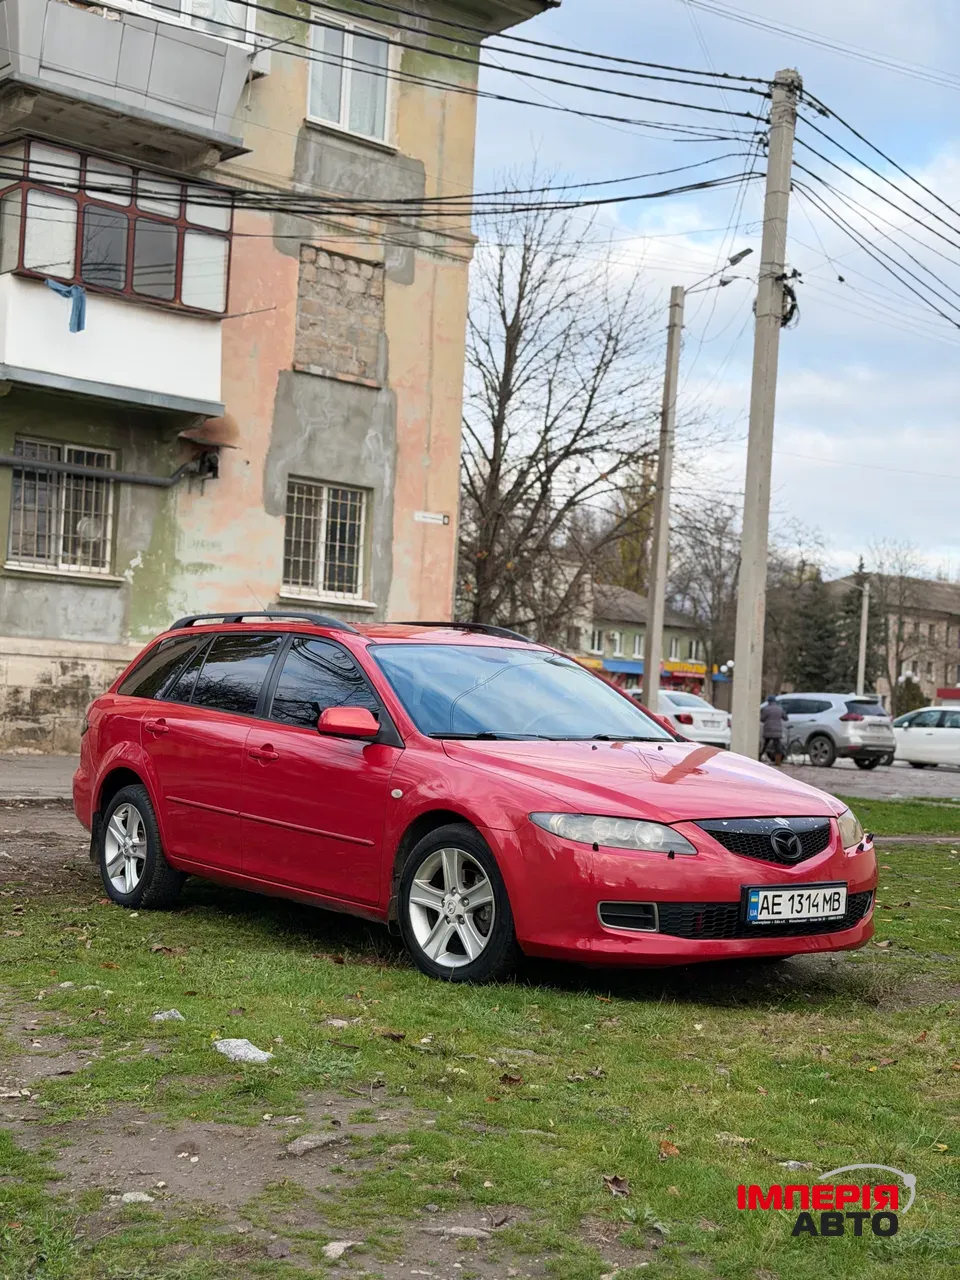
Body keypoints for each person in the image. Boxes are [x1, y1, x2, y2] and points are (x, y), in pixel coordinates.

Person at [759, 694, 787, 765]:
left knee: (765, 745)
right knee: (777, 747)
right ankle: (778, 762)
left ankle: (759, 758)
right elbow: (785, 718)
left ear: (768, 701)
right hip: (777, 731)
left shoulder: (766, 709)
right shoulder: (779, 708)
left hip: (768, 730)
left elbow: (762, 719)